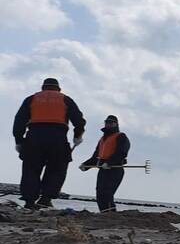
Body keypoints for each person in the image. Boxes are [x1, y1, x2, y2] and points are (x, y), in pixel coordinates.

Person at [12, 77, 86, 210]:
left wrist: (19, 140)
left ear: (43, 88)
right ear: (58, 89)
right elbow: (79, 121)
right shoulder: (65, 99)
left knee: (31, 169)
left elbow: (19, 120)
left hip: (34, 136)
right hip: (57, 137)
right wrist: (77, 136)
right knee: (57, 168)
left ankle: (29, 202)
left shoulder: (31, 99)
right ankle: (45, 199)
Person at [79, 115, 131, 212]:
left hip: (115, 169)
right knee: (100, 193)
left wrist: (109, 162)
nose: (108, 124)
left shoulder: (121, 136)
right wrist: (85, 165)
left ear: (116, 124)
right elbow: (95, 157)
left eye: (111, 123)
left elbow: (121, 152)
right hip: (103, 169)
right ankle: (104, 213)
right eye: (107, 122)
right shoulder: (102, 139)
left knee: (107, 193)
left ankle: (110, 213)